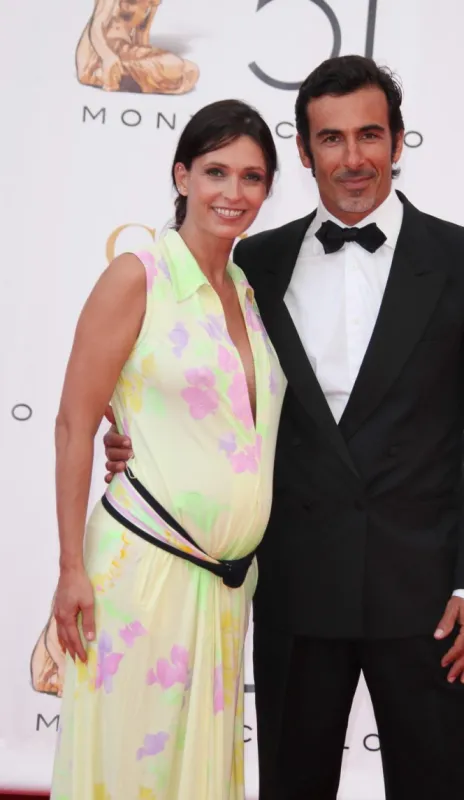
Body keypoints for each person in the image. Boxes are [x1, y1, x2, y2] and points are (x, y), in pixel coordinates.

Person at [104, 56, 464, 800]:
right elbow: (206, 389)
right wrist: (139, 444)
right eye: (330, 139)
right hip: (294, 585)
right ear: (303, 152)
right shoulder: (253, 264)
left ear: (398, 141)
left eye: (370, 135)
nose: (352, 157)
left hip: (428, 595)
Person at [50, 99, 285, 800]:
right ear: (181, 176)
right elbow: (74, 424)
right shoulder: (138, 274)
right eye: (216, 171)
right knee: (131, 772)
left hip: (224, 588)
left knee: (196, 779)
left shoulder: (245, 290)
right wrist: (70, 569)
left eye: (251, 177)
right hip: (139, 577)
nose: (233, 192)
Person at [76, 0, 199, 94]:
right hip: (98, 57)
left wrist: (145, 57)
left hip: (124, 50)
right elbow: (97, 26)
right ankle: (107, 74)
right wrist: (108, 57)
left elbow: (142, 33)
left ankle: (123, 76)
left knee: (190, 70)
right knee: (174, 67)